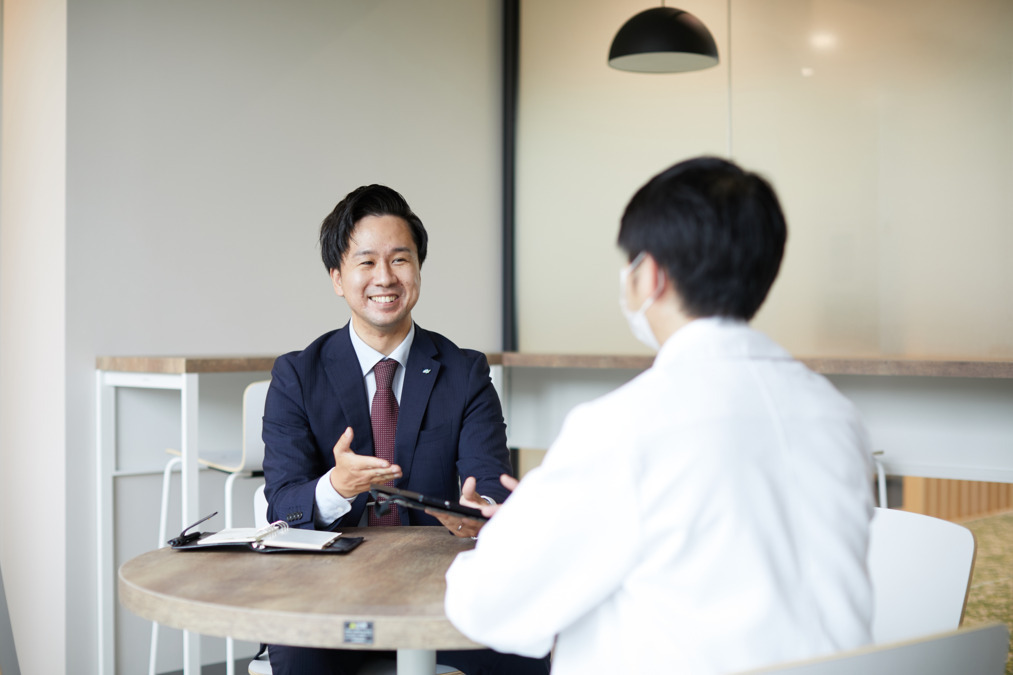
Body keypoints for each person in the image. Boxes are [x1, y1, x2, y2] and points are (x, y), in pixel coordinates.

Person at [444, 157, 875, 674]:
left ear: (649, 274)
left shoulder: (625, 426)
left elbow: (489, 604)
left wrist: (520, 529)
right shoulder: (836, 415)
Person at [262, 184, 550, 675]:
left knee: (531, 651)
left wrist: (482, 513)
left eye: (400, 260)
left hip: (440, 589)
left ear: (418, 270)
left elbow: (486, 481)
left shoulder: (465, 371)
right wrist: (337, 486)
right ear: (337, 277)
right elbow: (283, 507)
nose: (385, 278)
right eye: (366, 262)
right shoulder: (296, 375)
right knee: (297, 658)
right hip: (331, 597)